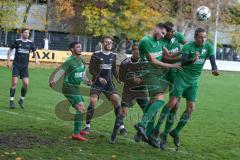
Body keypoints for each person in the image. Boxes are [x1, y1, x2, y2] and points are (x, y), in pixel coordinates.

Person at [161, 28, 219, 150]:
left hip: (193, 81)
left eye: (204, 37)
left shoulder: (208, 47)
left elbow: (213, 61)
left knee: (191, 108)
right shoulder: (188, 46)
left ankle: (175, 132)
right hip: (181, 77)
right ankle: (163, 133)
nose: (203, 39)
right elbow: (183, 61)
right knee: (173, 104)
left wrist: (214, 69)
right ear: (195, 37)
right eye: (200, 37)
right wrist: (193, 60)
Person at [134, 23, 181, 148]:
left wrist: (184, 50)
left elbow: (169, 55)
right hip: (148, 72)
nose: (163, 36)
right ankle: (142, 125)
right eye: (162, 33)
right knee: (160, 101)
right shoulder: (145, 41)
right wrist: (172, 66)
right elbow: (153, 60)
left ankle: (146, 135)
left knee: (152, 103)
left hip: (157, 74)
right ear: (156, 29)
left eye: (165, 34)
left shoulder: (160, 42)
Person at [151, 22, 187, 149]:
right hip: (164, 73)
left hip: (177, 75)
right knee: (155, 101)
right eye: (171, 31)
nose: (173, 33)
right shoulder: (161, 42)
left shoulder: (178, 36)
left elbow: (188, 45)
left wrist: (187, 52)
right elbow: (166, 59)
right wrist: (181, 59)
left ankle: (164, 133)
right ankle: (149, 129)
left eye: (174, 31)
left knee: (175, 105)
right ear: (165, 32)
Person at [83, 36, 126, 134]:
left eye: (110, 42)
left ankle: (122, 127)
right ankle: (87, 126)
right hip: (97, 83)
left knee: (116, 101)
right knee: (93, 101)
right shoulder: (96, 55)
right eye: (106, 42)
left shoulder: (113, 55)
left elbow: (114, 70)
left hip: (109, 84)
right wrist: (99, 78)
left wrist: (119, 79)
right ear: (102, 43)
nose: (109, 44)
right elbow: (91, 70)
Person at [49, 42, 92, 141]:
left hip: (75, 87)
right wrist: (54, 80)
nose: (80, 48)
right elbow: (61, 71)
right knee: (81, 108)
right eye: (78, 47)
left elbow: (83, 75)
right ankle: (76, 134)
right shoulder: (69, 61)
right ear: (72, 49)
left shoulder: (81, 60)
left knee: (82, 109)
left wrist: (87, 82)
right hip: (68, 87)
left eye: (81, 47)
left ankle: (77, 130)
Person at [109, 43, 149, 144]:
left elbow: (150, 76)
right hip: (128, 91)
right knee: (123, 112)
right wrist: (132, 78)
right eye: (136, 50)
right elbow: (121, 78)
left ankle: (139, 134)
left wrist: (142, 80)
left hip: (141, 91)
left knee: (148, 112)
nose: (138, 52)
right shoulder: (125, 63)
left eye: (139, 50)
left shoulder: (145, 62)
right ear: (132, 51)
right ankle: (113, 137)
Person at [7, 28, 40, 109]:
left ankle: (21, 99)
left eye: (28, 33)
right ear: (22, 33)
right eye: (25, 32)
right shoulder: (17, 41)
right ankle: (11, 101)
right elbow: (10, 50)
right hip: (16, 65)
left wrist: (36, 59)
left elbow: (35, 53)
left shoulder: (31, 43)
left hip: (25, 67)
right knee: (14, 83)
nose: (26, 34)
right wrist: (8, 61)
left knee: (26, 84)